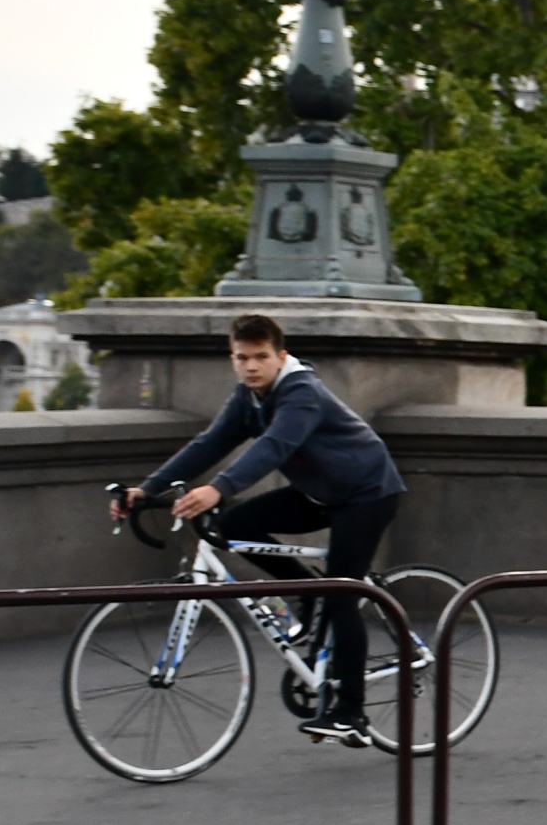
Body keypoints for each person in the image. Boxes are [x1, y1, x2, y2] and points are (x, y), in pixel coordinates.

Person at [112, 313, 407, 747]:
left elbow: (276, 446)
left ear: (280, 356)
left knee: (344, 593)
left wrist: (218, 488)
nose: (251, 366)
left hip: (366, 493)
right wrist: (147, 489)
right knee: (234, 524)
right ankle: (308, 595)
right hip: (320, 492)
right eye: (241, 357)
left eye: (261, 357)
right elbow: (209, 443)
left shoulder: (301, 392)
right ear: (232, 359)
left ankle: (351, 714)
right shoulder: (247, 398)